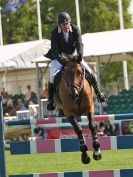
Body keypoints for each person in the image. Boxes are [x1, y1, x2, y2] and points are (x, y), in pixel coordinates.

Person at [45, 11, 107, 111]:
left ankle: (99, 93)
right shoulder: (55, 33)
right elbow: (55, 50)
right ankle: (50, 100)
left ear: (70, 23)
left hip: (73, 56)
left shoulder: (75, 29)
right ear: (59, 25)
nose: (66, 26)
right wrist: (61, 59)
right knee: (52, 76)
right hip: (59, 57)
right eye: (63, 24)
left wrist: (79, 55)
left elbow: (79, 44)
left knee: (90, 72)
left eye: (67, 23)